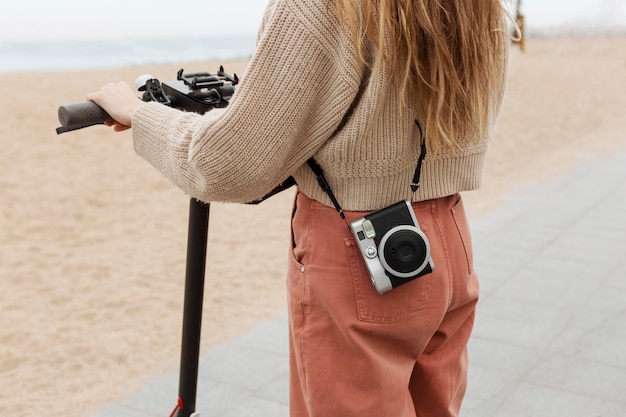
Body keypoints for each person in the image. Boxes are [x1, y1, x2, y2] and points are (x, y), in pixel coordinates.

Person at [87, 0, 510, 415]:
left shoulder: (316, 8)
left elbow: (228, 164)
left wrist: (140, 115)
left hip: (357, 248)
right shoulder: (477, 7)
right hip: (448, 234)